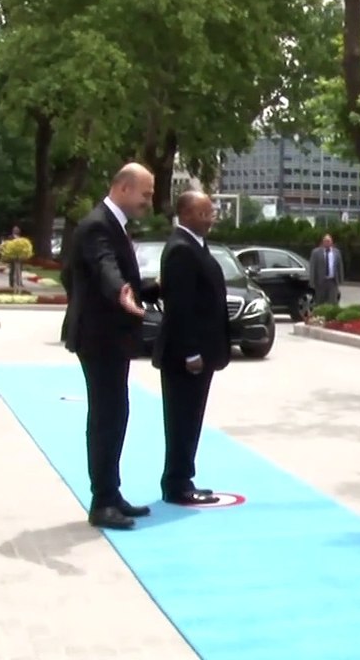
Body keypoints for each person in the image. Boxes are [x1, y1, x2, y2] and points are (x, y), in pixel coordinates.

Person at [62, 163, 160, 530]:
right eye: (145, 194)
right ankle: (102, 501)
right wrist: (122, 293)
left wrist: (151, 288)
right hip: (99, 338)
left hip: (112, 337)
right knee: (106, 417)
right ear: (122, 187)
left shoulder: (113, 225)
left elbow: (112, 275)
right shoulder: (97, 225)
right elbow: (106, 269)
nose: (148, 201)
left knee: (116, 414)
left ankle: (111, 492)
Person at [152, 191, 229, 505]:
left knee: (191, 418)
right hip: (187, 356)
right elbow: (180, 307)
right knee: (182, 419)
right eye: (203, 213)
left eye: (211, 213)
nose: (210, 218)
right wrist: (191, 352)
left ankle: (183, 477)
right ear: (185, 214)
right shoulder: (181, 249)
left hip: (202, 352)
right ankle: (178, 484)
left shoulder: (195, 245)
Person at [309, 234, 343, 305]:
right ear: (322, 242)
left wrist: (340, 279)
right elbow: (312, 267)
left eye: (328, 241)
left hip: (332, 281)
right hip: (320, 282)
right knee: (320, 302)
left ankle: (331, 315)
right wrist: (312, 281)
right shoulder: (316, 252)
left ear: (331, 242)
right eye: (325, 241)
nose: (327, 242)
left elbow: (340, 266)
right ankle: (320, 315)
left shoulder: (336, 252)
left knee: (333, 302)